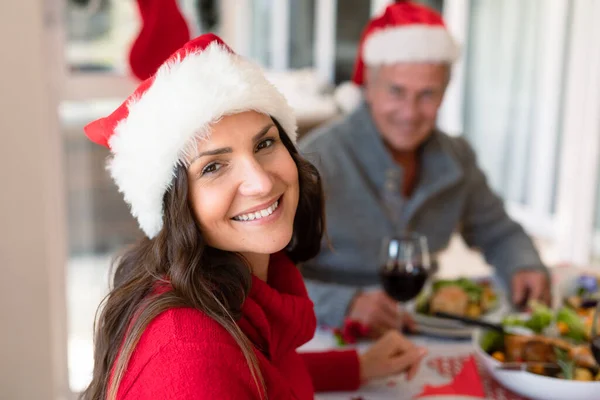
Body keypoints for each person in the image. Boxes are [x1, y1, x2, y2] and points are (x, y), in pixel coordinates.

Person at [80, 34, 427, 400]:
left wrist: (357, 367)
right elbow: (217, 372)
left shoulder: (242, 281)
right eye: (213, 166)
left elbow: (258, 371)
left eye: (264, 144)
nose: (261, 183)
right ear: (174, 203)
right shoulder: (188, 353)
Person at [299, 1, 551, 333]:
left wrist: (524, 265)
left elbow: (499, 232)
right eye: (396, 91)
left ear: (445, 93)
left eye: (427, 94)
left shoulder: (457, 156)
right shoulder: (315, 161)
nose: (410, 112)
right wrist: (343, 303)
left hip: (423, 328)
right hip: (327, 331)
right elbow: (263, 276)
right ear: (369, 88)